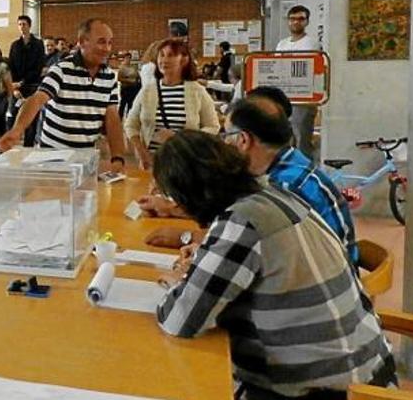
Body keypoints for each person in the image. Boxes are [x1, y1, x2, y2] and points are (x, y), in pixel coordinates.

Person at [152, 130, 396, 399]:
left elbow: (182, 320)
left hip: (325, 390)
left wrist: (176, 282)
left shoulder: (242, 220)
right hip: (367, 373)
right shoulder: (274, 195)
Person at [140, 87, 359, 265]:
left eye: (227, 135)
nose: (224, 143)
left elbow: (247, 242)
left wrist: (184, 237)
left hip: (315, 293)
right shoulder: (290, 165)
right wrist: (172, 208)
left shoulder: (282, 186)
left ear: (243, 140)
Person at [0, 18, 126, 173]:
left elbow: (112, 119)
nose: (107, 48)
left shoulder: (109, 77)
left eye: (109, 42)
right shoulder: (61, 70)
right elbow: (37, 99)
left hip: (85, 159)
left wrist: (117, 158)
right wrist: (17, 130)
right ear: (82, 42)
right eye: (101, 42)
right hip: (52, 158)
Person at [125, 38, 219, 170]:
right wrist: (142, 152)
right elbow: (130, 124)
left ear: (184, 60)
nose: (164, 60)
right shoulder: (148, 91)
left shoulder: (197, 91)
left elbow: (212, 127)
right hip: (153, 163)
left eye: (171, 55)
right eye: (161, 55)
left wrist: (180, 138)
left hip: (186, 163)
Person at [277, 4, 321, 159]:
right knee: (285, 140)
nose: (296, 22)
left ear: (307, 21)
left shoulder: (312, 43)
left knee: (302, 140)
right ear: (288, 21)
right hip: (284, 97)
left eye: (301, 19)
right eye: (292, 19)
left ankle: (306, 175)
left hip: (303, 99)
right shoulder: (282, 44)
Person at [7, 15, 46, 147]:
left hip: (32, 85)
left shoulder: (38, 44)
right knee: (13, 116)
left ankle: (28, 146)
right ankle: (11, 145)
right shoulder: (15, 45)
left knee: (31, 118)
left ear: (29, 26)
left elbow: (39, 66)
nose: (22, 27)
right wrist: (14, 87)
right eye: (19, 24)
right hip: (17, 87)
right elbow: (11, 66)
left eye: (24, 24)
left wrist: (22, 82)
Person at [117, 52, 140, 118]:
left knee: (131, 105)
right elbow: (119, 78)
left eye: (129, 58)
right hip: (125, 89)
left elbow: (137, 75)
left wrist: (137, 80)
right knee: (123, 104)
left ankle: (128, 119)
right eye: (127, 58)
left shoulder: (133, 67)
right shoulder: (121, 68)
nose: (128, 59)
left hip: (133, 89)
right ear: (124, 59)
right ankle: (119, 119)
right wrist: (129, 80)